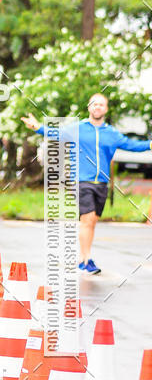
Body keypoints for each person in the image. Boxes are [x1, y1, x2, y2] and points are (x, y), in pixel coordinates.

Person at [22, 93, 152, 275]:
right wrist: (37, 127)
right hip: (81, 181)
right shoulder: (78, 128)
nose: (97, 107)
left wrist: (150, 144)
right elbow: (56, 133)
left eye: (101, 104)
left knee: (91, 222)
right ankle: (86, 259)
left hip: (101, 184)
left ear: (105, 109)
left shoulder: (111, 133)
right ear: (89, 107)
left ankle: (83, 260)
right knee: (87, 219)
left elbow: (131, 145)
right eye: (94, 104)